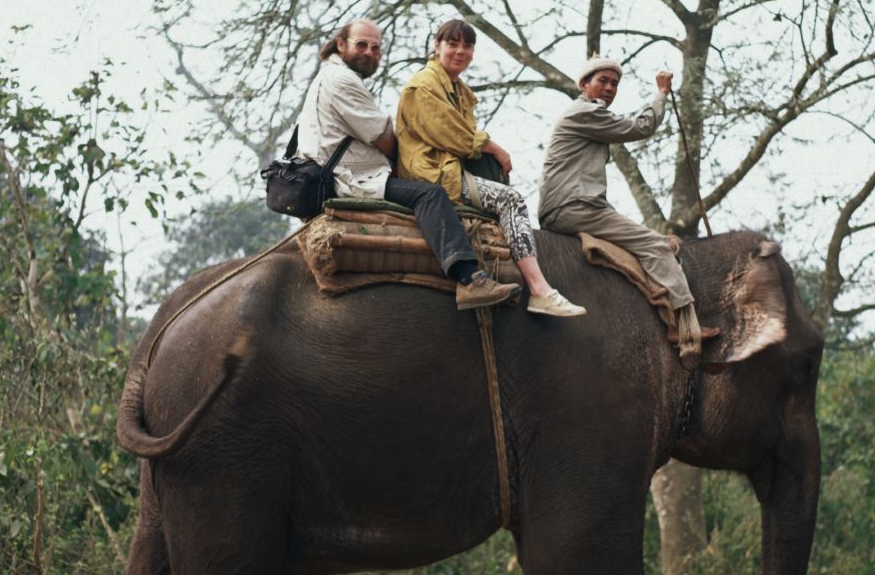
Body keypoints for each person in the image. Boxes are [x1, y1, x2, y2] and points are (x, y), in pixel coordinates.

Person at [296, 18, 520, 311]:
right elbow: (383, 136)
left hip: (341, 171)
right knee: (429, 194)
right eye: (361, 45)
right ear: (341, 44)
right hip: (348, 177)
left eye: (375, 48)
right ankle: (469, 278)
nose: (369, 52)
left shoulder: (332, 76)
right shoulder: (342, 80)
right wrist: (409, 160)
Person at [394, 19, 586, 318]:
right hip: (432, 171)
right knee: (511, 200)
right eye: (452, 44)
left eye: (467, 46)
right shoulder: (423, 85)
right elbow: (454, 134)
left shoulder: (457, 89)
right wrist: (493, 147)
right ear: (436, 46)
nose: (460, 51)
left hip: (449, 167)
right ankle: (540, 290)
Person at [537, 56, 719, 360]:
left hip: (570, 206)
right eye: (603, 81)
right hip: (574, 206)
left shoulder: (585, 116)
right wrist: (661, 94)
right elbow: (641, 127)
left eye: (614, 83)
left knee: (652, 239)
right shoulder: (585, 112)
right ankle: (681, 323)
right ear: (584, 85)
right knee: (656, 246)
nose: (610, 88)